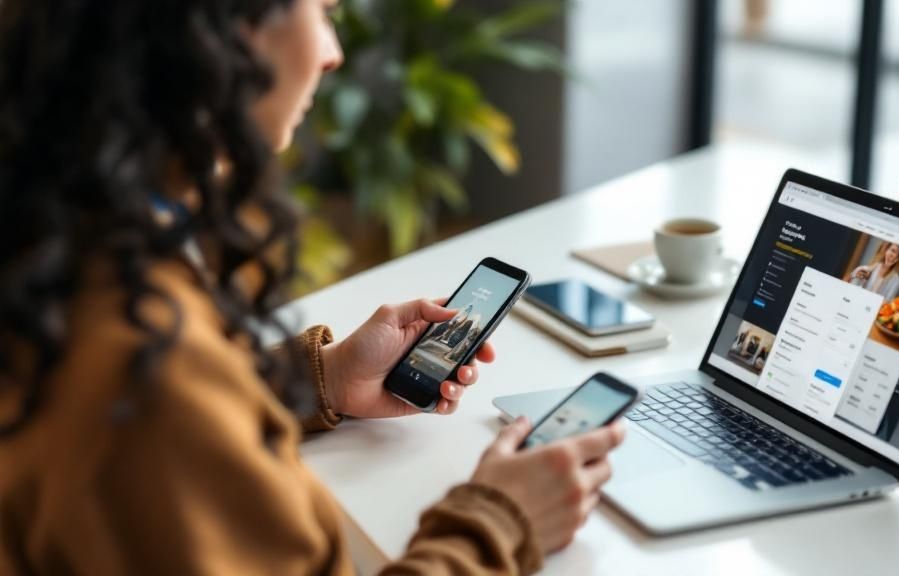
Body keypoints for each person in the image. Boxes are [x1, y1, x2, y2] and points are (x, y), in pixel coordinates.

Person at [0, 1, 625, 574]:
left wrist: (321, 377)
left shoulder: (60, 241)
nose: (333, 53)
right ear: (220, 31)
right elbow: (164, 413)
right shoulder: (148, 367)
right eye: (322, 11)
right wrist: (500, 519)